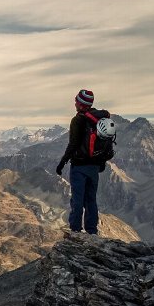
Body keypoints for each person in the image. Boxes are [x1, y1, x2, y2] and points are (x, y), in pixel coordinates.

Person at [55, 89, 112, 235]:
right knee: (91, 199)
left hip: (79, 166)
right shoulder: (100, 119)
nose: (74, 103)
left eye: (76, 101)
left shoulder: (78, 120)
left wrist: (62, 162)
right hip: (95, 167)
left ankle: (75, 230)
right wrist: (100, 163)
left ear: (81, 104)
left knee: (78, 200)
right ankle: (92, 231)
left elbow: (73, 144)